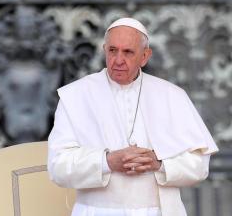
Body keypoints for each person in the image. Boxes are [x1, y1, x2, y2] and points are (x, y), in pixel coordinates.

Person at [47, 17, 219, 216]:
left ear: (145, 56)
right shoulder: (75, 96)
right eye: (112, 50)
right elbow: (57, 167)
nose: (118, 60)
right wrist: (107, 161)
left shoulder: (172, 96)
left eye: (128, 52)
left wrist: (159, 164)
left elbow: (199, 166)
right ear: (105, 50)